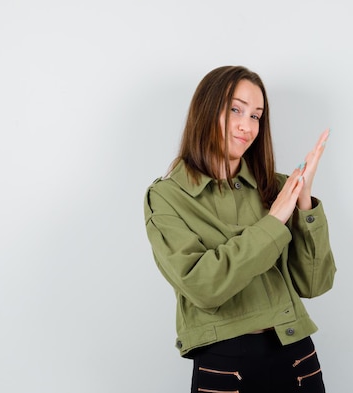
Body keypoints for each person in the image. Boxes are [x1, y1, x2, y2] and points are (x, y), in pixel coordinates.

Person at [143, 65, 336, 393]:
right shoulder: (167, 196)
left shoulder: (275, 188)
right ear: (206, 110)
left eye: (256, 116)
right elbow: (205, 286)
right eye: (236, 109)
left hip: (296, 357)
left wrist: (304, 204)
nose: (247, 126)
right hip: (225, 365)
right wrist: (273, 222)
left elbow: (315, 284)